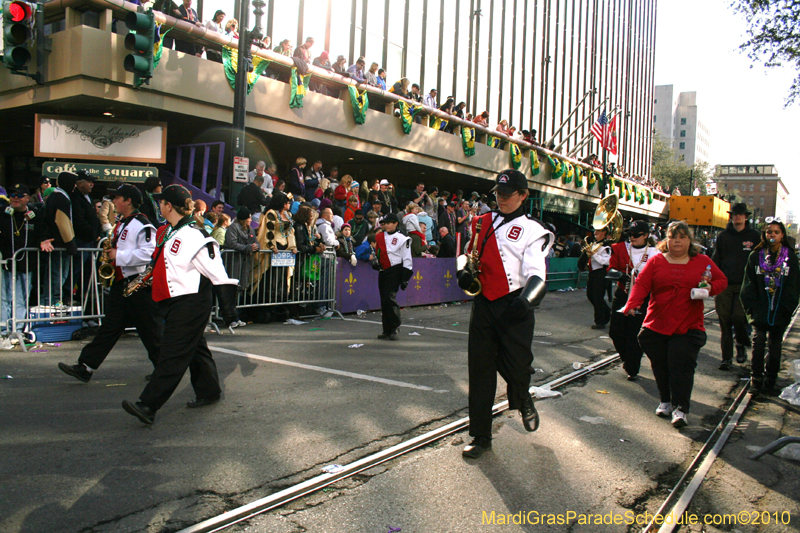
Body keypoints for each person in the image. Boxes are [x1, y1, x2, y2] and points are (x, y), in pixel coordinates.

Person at [457, 169, 553, 459]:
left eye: (508, 195)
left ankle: (522, 397)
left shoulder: (534, 230)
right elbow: (467, 252)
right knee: (481, 369)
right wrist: (461, 270)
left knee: (518, 365)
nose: (501, 199)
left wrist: (527, 301)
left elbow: (537, 273)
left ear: (523, 196)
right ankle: (481, 435)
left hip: (516, 304)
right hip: (484, 302)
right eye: (498, 194)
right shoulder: (481, 222)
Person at [122, 185, 238, 425]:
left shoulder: (195, 236)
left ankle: (148, 405)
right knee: (196, 348)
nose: (157, 205)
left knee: (172, 353)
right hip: (173, 300)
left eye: (160, 201)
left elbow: (217, 272)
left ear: (168, 205)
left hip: (191, 302)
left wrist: (230, 312)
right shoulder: (167, 231)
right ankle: (209, 390)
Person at [623, 221, 727, 428]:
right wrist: (632, 303)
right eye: (672, 237)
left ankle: (681, 409)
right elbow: (642, 283)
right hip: (658, 323)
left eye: (681, 237)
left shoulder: (703, 261)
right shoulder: (656, 261)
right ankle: (665, 401)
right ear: (666, 241)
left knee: (681, 367)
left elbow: (722, 280)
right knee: (660, 365)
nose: (677, 241)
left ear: (689, 240)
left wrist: (708, 288)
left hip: (687, 324)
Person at [58, 184, 163, 382]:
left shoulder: (142, 224)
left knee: (150, 328)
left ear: (128, 201)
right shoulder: (123, 223)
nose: (114, 201)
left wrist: (119, 255)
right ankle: (86, 366)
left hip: (137, 282)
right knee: (110, 326)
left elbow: (149, 253)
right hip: (121, 282)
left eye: (117, 198)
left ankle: (164, 368)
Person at [740, 219, 800, 395]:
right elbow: (748, 283)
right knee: (758, 343)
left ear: (782, 235)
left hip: (780, 310)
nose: (772, 235)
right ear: (764, 235)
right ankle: (756, 379)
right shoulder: (755, 256)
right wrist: (751, 308)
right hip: (760, 310)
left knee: (775, 346)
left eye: (776, 232)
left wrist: (787, 307)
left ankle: (770, 380)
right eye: (769, 232)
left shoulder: (791, 257)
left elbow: (795, 285)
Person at [712, 203, 761, 370]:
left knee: (739, 318)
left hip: (745, 285)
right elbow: (716, 259)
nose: (737, 217)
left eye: (740, 214)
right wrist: (711, 279)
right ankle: (726, 358)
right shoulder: (723, 236)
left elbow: (759, 261)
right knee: (724, 321)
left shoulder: (754, 236)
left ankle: (740, 343)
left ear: (746, 217)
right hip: (725, 284)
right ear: (731, 216)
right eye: (734, 214)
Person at [608, 220, 657, 381]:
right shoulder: (620, 248)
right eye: (630, 234)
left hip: (642, 298)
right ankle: (626, 358)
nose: (632, 237)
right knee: (615, 332)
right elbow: (610, 268)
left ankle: (632, 367)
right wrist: (620, 274)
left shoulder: (654, 252)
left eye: (636, 235)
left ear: (645, 236)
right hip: (623, 293)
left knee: (634, 335)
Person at [0, 184, 38, 337]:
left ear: (27, 198)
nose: (15, 198)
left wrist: (44, 241)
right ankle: (3, 328)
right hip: (6, 262)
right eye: (12, 195)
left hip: (26, 262)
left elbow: (42, 232)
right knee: (4, 297)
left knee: (21, 297)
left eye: (20, 195)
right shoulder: (3, 214)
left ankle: (18, 328)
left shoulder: (35, 214)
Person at [373, 213, 413, 340]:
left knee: (390, 298)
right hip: (383, 271)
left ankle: (395, 327)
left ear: (396, 223)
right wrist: (376, 262)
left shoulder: (402, 238)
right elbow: (378, 252)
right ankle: (387, 329)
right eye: (385, 223)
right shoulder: (379, 236)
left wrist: (405, 278)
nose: (387, 225)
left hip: (395, 270)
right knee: (384, 300)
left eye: (390, 223)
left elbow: (407, 259)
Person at [579, 225, 613, 329]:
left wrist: (594, 254)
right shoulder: (594, 245)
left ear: (604, 233)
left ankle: (600, 321)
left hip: (601, 273)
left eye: (599, 231)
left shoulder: (606, 247)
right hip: (593, 273)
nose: (595, 232)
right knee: (590, 295)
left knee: (598, 297)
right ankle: (607, 311)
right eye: (596, 230)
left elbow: (607, 262)